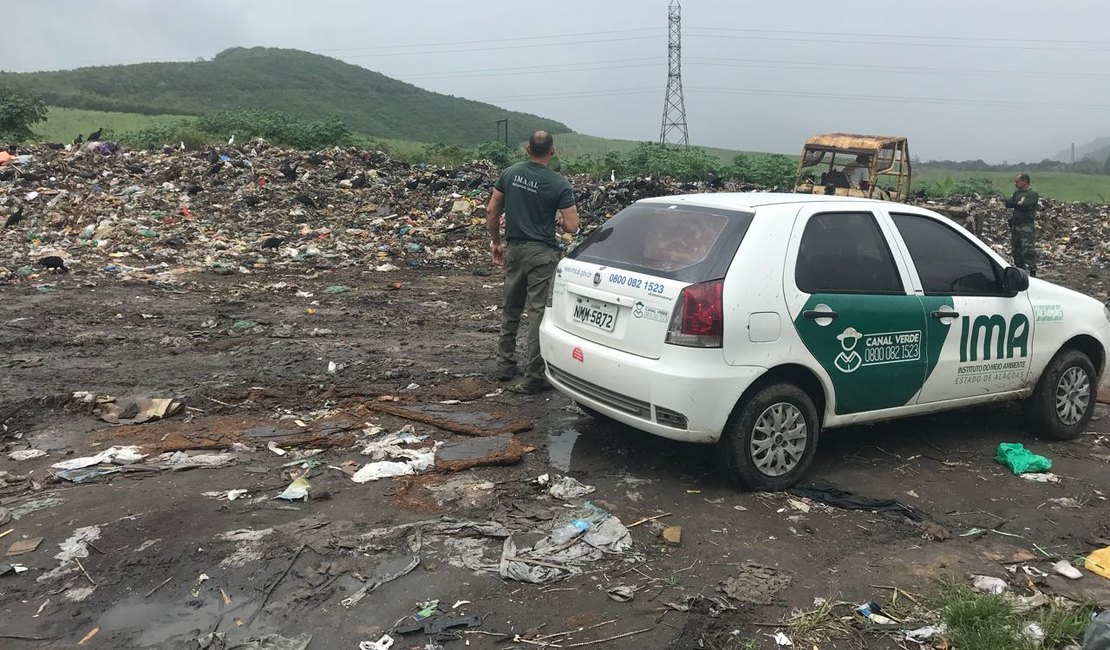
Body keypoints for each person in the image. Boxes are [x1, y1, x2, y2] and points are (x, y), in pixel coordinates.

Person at [486, 131, 580, 393]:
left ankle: (505, 365)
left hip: (515, 249)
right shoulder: (559, 183)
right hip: (542, 255)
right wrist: (560, 220)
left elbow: (492, 209)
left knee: (511, 307)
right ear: (553, 150)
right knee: (538, 313)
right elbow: (572, 226)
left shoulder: (511, 173)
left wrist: (496, 241)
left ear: (528, 148)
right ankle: (534, 377)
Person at [1004, 173, 1039, 277]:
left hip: (1026, 225)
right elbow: (1008, 203)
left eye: (1017, 181)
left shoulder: (1032, 194)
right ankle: (1020, 271)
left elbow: (1025, 206)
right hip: (1016, 225)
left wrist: (1017, 204)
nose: (1015, 184)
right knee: (1016, 250)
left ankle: (1032, 270)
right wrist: (1017, 203)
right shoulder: (1017, 193)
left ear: (1024, 181)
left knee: (1027, 250)